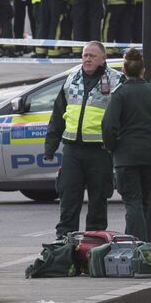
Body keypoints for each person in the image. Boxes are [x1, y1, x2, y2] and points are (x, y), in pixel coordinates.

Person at [44, 41, 124, 237]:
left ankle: (94, 245)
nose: (87, 59)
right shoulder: (72, 78)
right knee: (68, 199)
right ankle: (63, 245)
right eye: (85, 55)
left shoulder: (115, 80)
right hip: (73, 150)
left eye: (92, 56)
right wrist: (50, 147)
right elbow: (58, 115)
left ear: (103, 59)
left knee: (98, 201)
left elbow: (123, 117)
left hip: (100, 151)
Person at [102, 48, 151, 241]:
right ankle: (139, 243)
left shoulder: (119, 94)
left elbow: (109, 126)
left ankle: (137, 248)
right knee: (143, 202)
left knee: (132, 203)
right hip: (149, 155)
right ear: (143, 70)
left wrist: (112, 146)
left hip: (125, 156)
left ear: (124, 71)